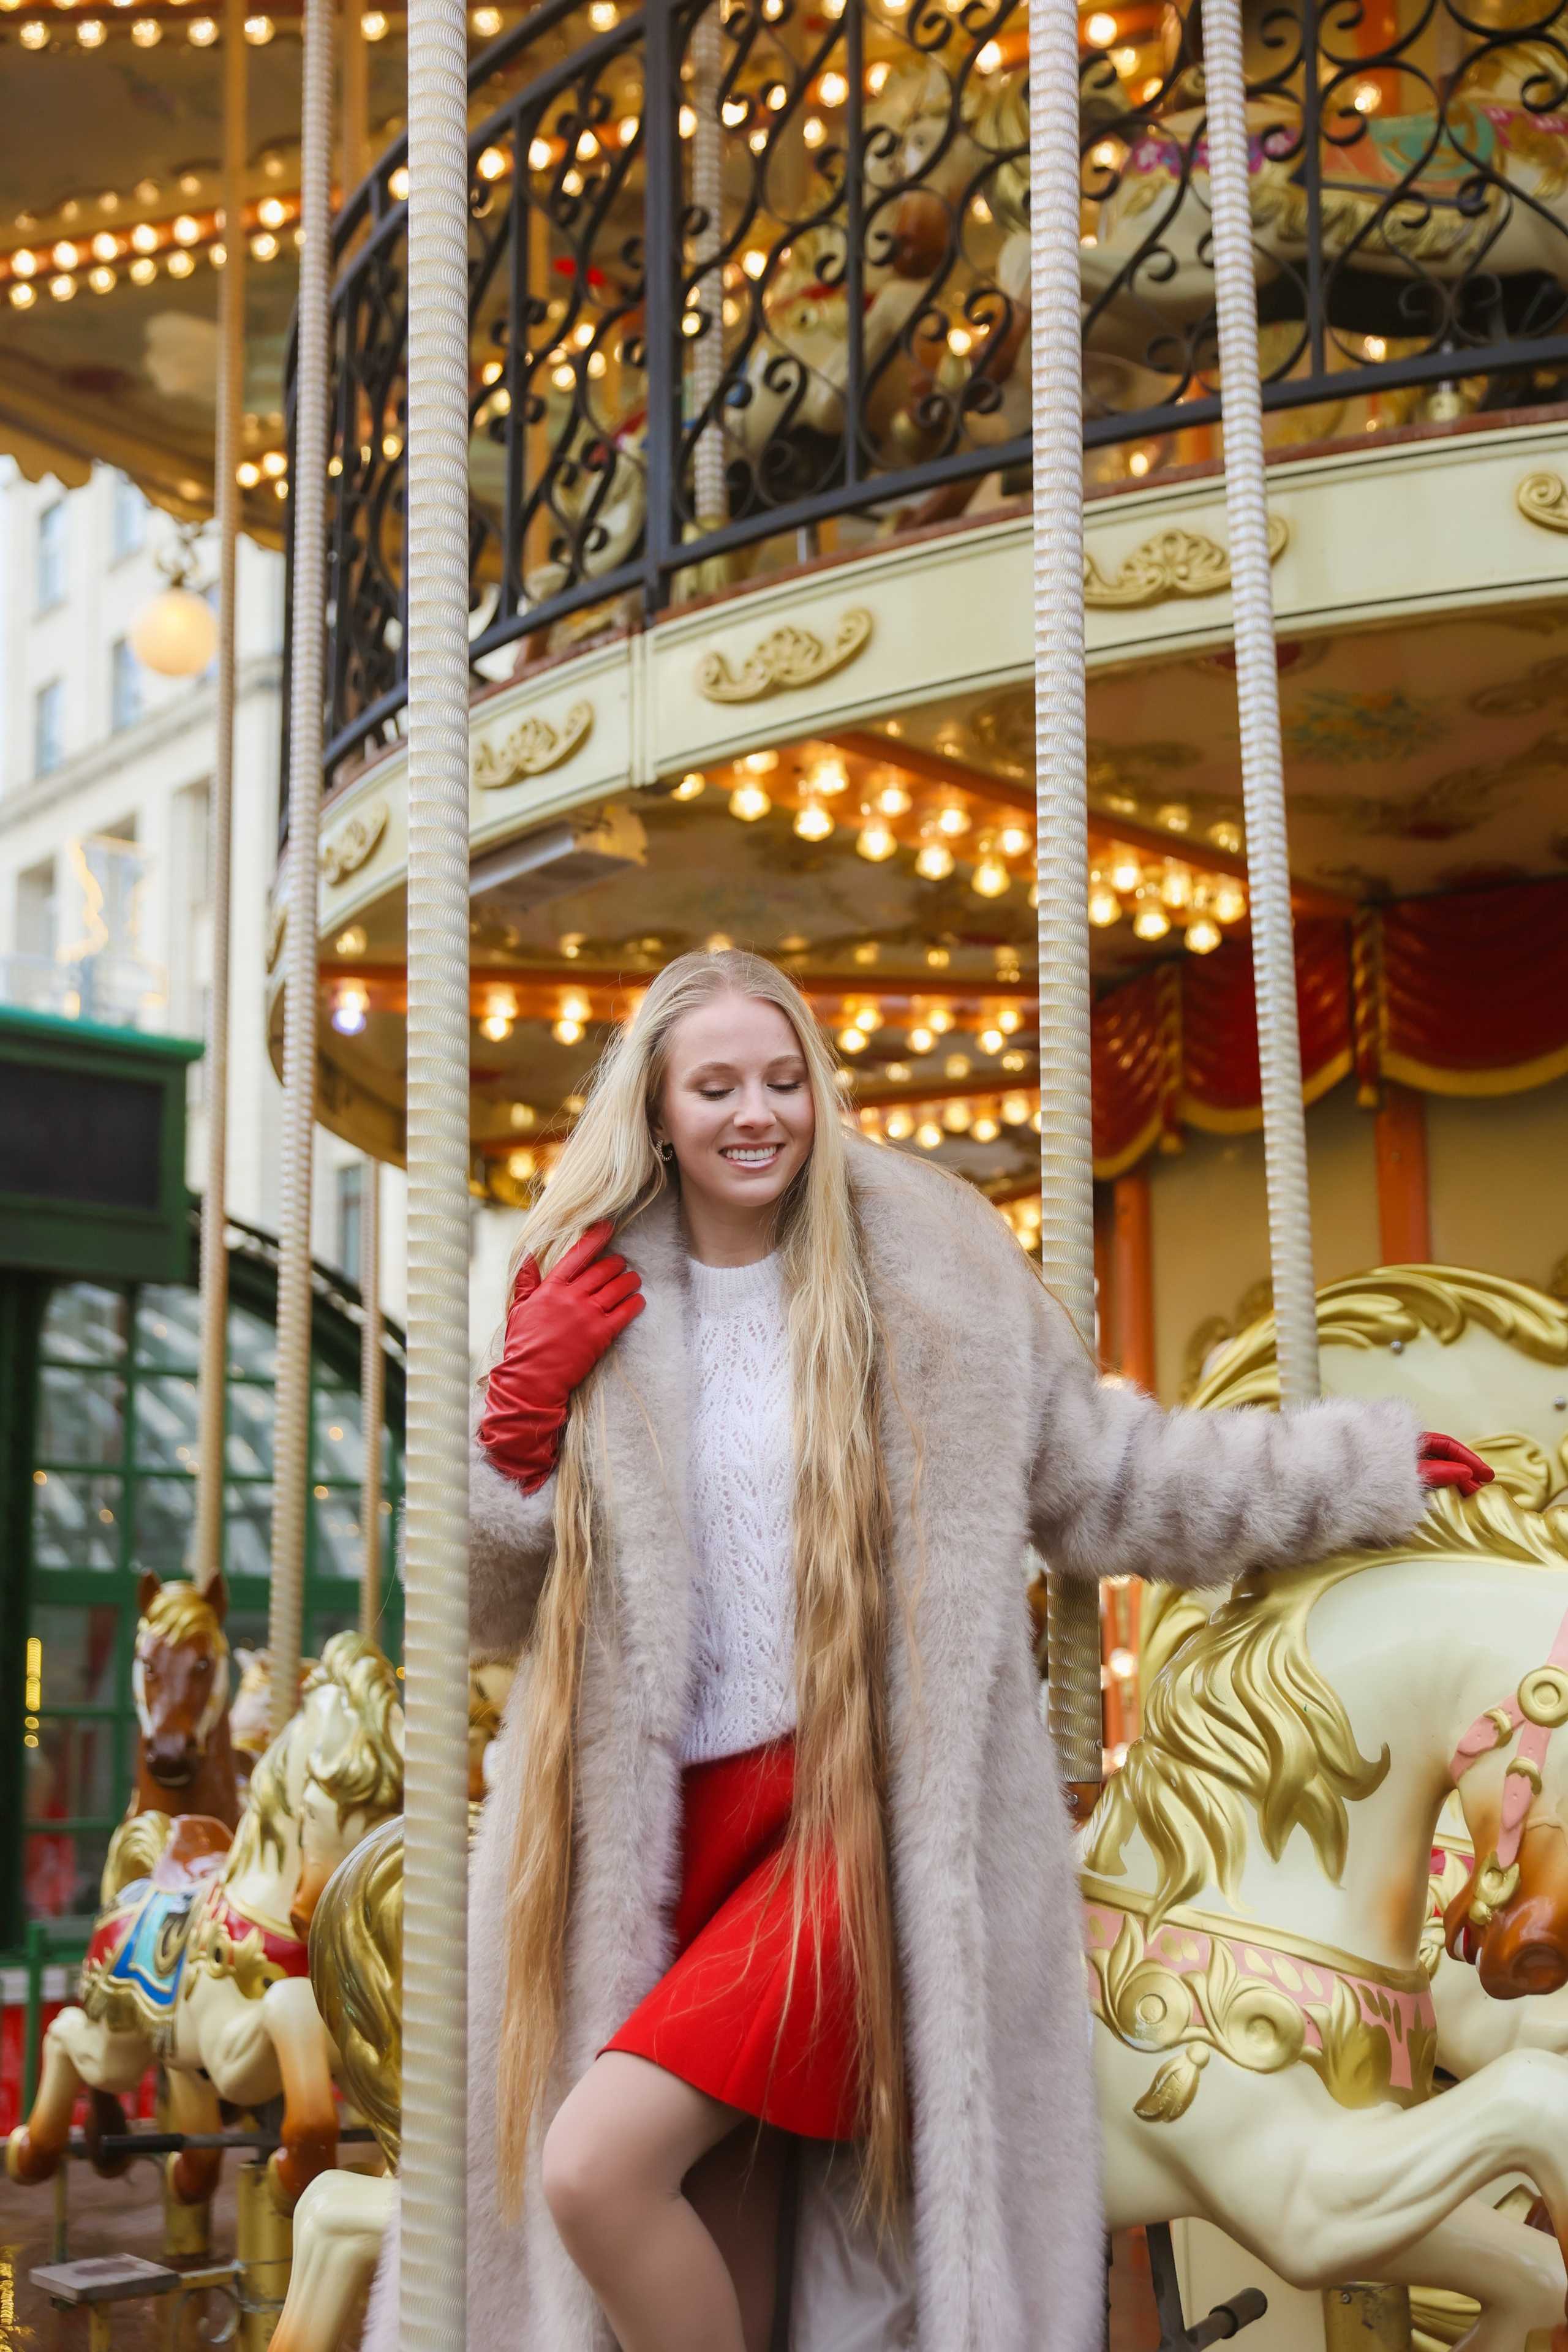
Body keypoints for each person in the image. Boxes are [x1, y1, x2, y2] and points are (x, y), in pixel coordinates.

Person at [410, 947, 1488, 2352]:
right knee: (726, 2270)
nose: (756, 1114)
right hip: (658, 1836)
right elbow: (488, 1616)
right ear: (657, 1111)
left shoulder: (930, 1273)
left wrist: (1352, 1472)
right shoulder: (592, 1300)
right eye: (715, 1087)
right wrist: (514, 1418)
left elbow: (1109, 1473)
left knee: (595, 2171)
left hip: (843, 1825)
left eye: (783, 1080)